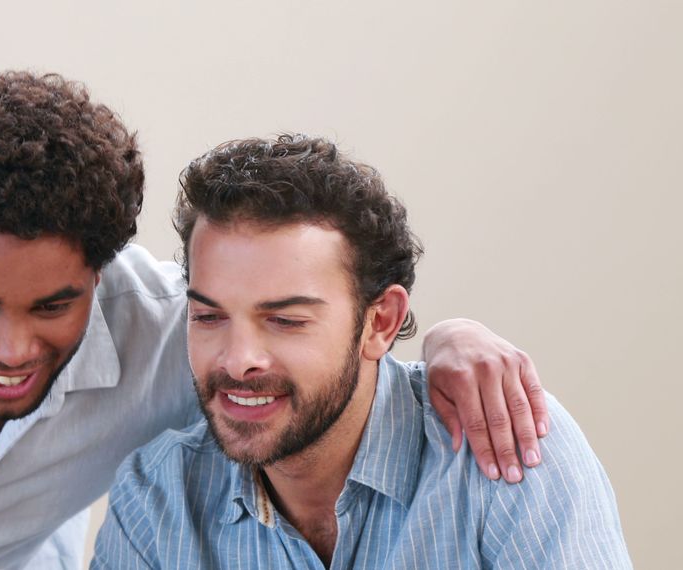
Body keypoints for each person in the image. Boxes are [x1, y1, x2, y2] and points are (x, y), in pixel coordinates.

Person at [0, 73, 547, 570]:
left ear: (100, 273)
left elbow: (306, 345)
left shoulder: (174, 331)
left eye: (55, 305)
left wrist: (447, 335)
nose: (12, 349)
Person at [92, 134, 631, 569]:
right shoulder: (156, 497)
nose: (237, 360)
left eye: (284, 320)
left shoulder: (503, 448)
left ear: (380, 322)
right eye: (209, 317)